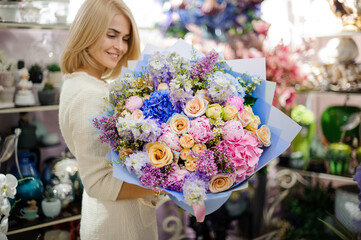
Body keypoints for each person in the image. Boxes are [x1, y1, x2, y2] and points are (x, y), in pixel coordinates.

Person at [59, 0, 160, 239]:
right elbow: (99, 183)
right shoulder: (90, 95)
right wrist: (172, 184)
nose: (121, 46)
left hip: (111, 218)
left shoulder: (81, 83)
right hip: (118, 226)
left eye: (125, 38)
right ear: (88, 31)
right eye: (112, 35)